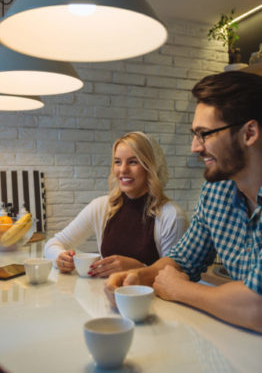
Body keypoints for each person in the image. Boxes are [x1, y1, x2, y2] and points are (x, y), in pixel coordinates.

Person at [105, 71, 262, 333]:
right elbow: (182, 259)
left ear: (249, 133)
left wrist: (181, 289)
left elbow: (257, 306)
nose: (195, 147)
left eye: (204, 134)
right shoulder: (216, 193)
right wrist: (138, 278)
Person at [44, 131, 188, 277]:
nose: (123, 170)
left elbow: (174, 276)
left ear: (150, 167)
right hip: (105, 296)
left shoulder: (172, 216)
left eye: (133, 162)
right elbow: (52, 244)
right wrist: (60, 258)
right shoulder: (101, 207)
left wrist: (139, 268)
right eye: (117, 162)